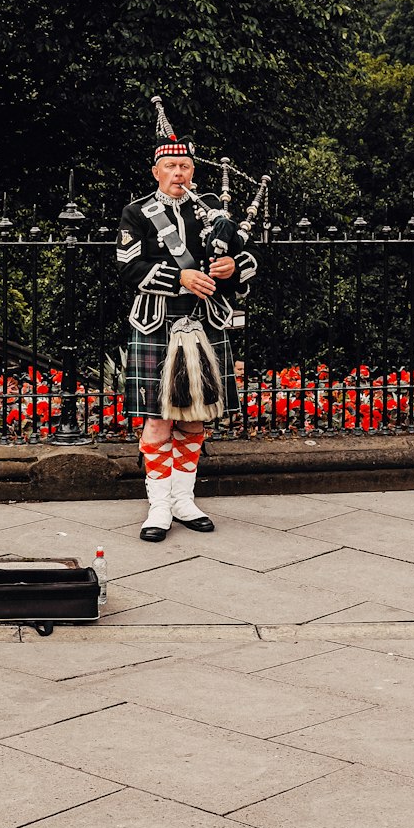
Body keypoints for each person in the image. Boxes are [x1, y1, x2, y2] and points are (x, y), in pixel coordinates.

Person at [117, 125, 257, 542]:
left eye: (186, 166)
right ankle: (158, 506)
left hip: (205, 322)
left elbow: (246, 256)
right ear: (156, 171)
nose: (179, 173)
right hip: (157, 321)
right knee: (158, 421)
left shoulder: (212, 208)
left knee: (194, 420)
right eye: (171, 166)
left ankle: (184, 500)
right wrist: (181, 278)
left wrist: (233, 268)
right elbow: (129, 266)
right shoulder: (137, 213)